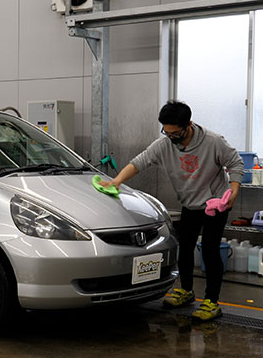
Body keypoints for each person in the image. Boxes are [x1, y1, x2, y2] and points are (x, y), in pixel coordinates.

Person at [101, 100, 243, 321]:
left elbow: (235, 163)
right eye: (166, 132)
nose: (171, 137)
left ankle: (212, 302)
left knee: (209, 250)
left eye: (175, 133)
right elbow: (139, 162)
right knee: (184, 248)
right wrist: (116, 181)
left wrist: (233, 190)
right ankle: (186, 291)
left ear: (188, 125)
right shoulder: (164, 144)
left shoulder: (213, 141)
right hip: (190, 203)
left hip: (215, 204)